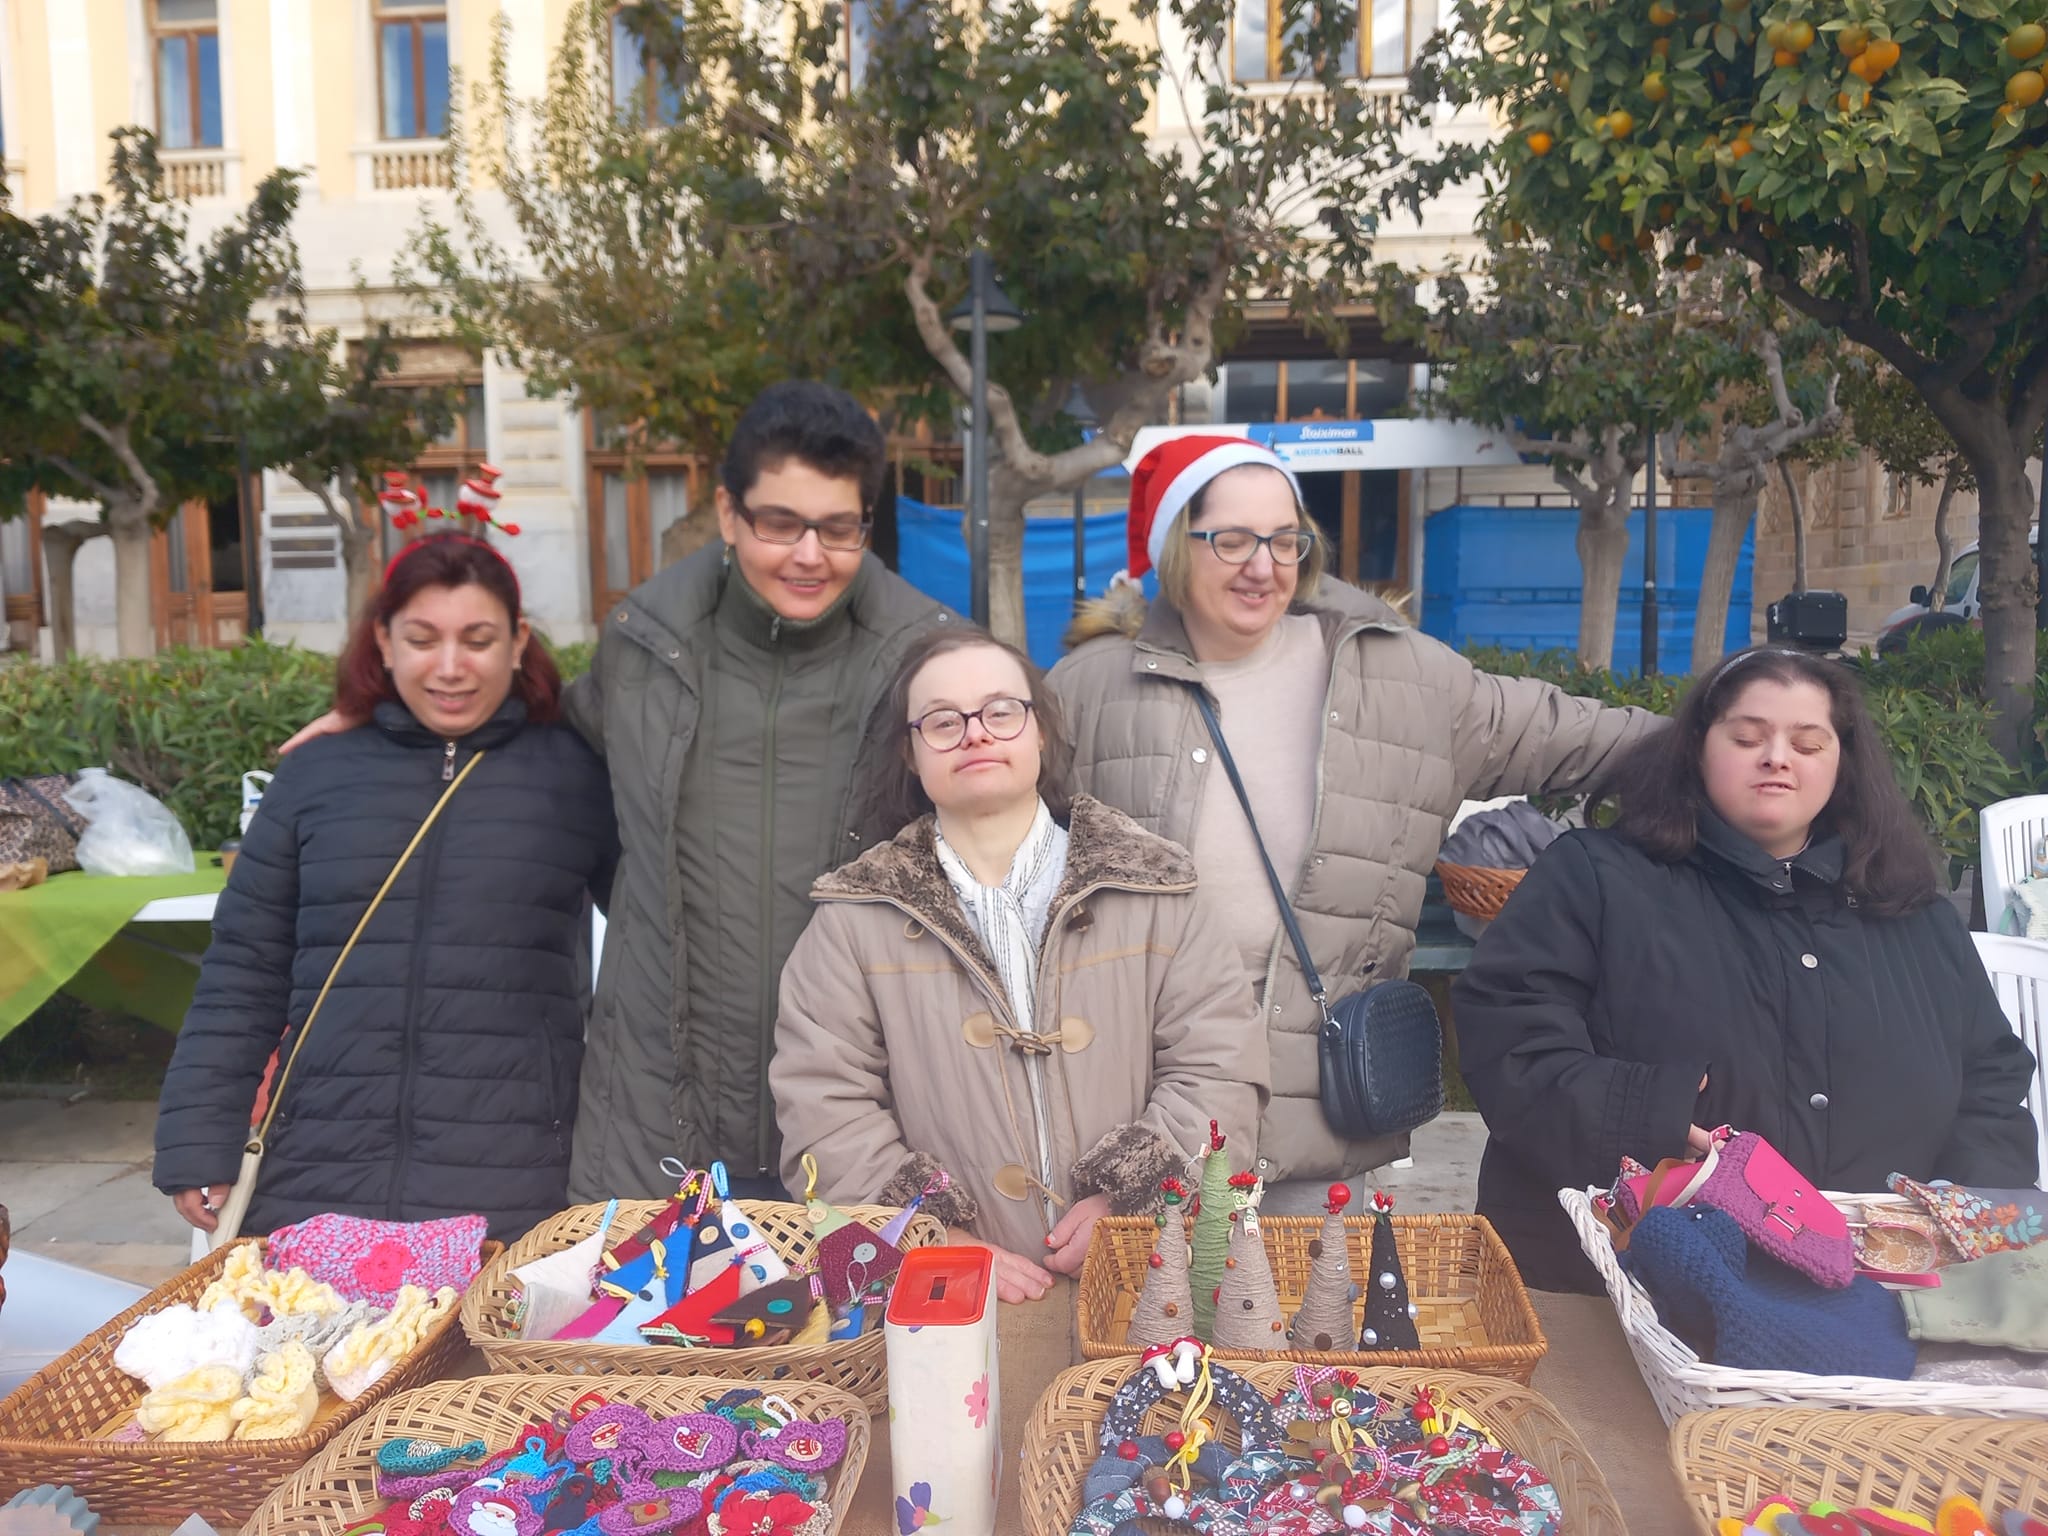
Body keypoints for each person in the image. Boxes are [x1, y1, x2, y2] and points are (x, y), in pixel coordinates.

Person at [279, 382, 954, 1201]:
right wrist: (379, 718)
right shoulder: (647, 646)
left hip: (860, 1114)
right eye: (780, 523)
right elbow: (530, 738)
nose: (809, 555)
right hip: (654, 1116)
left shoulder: (928, 662)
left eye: (838, 527)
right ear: (729, 513)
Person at [1050, 434, 1660, 1208]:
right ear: (1177, 545)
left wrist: (1739, 736)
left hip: (1317, 1122)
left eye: (1285, 540)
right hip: (1142, 1122)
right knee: (1147, 1294)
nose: (1263, 566)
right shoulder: (1088, 689)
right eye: (1232, 540)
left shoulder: (1401, 676)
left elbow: (1573, 736)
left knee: (1316, 1290)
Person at [1454, 646, 2041, 1292]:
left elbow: (1992, 1085)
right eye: (1747, 738)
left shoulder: (1910, 911)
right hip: (1617, 1294)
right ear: (1697, 748)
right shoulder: (1594, 877)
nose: (1777, 758)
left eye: (1808, 743)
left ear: (1842, 764)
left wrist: (1959, 1221)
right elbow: (1512, 1044)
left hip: (1884, 1303)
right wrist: (1647, 1117)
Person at [771, 629, 1268, 1302]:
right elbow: (822, 1106)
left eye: (1001, 711)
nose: (976, 733)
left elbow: (1220, 1065)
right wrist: (934, 1241)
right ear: (911, 753)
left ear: (1040, 731)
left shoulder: (1156, 890)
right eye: (943, 721)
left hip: (1149, 1283)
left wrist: (1136, 1200)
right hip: (951, 1307)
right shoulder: (853, 921)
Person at [154, 534, 618, 1242]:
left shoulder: (574, 774)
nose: (451, 667)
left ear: (518, 642)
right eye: (422, 640)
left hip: (513, 1177)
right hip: (318, 1170)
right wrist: (199, 1135)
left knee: (489, 1324)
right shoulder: (315, 775)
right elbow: (243, 970)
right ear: (384, 641)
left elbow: (661, 945)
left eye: (478, 640)